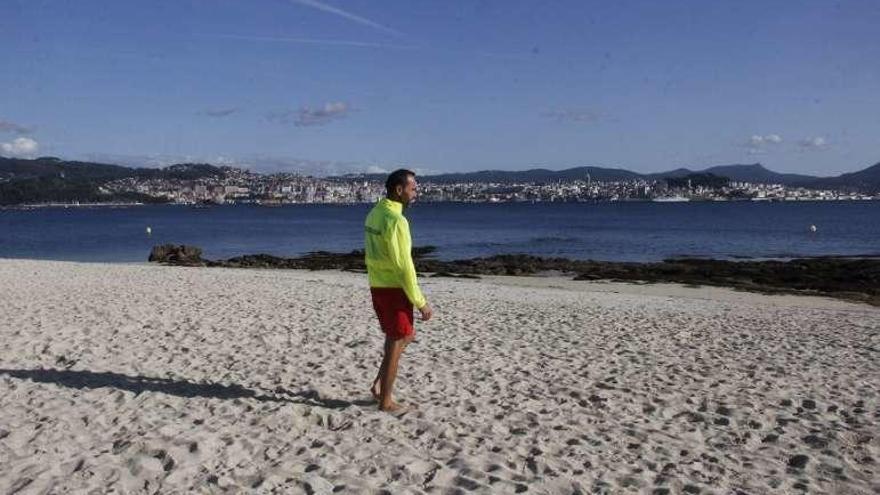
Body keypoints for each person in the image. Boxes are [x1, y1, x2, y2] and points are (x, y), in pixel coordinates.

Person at [364, 169, 433, 413]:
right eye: (413, 189)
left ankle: (377, 385)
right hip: (393, 288)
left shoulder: (375, 213)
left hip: (378, 285)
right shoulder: (396, 221)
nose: (416, 193)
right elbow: (404, 265)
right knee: (396, 341)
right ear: (399, 190)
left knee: (404, 336)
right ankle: (385, 401)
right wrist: (420, 301)